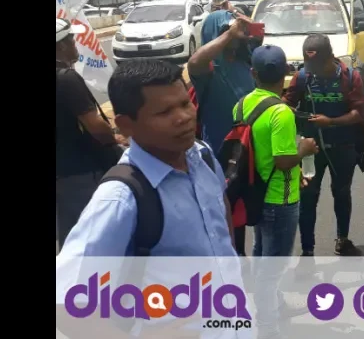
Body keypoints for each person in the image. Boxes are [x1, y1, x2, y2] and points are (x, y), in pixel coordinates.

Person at [56, 59, 244, 339]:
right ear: (126, 125)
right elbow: (65, 303)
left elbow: (220, 215)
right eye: (164, 111)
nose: (183, 117)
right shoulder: (121, 198)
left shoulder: (201, 155)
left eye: (184, 104)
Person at [240, 45, 319, 338]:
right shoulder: (280, 112)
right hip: (281, 199)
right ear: (286, 73)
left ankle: (274, 307)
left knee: (262, 254)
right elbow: (283, 159)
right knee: (273, 267)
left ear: (253, 73)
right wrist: (305, 149)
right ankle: (267, 326)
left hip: (255, 193)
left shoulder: (244, 103)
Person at [284, 34, 364, 257]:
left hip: (343, 147)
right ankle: (307, 250)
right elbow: (287, 103)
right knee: (308, 197)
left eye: (318, 64)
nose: (315, 69)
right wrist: (292, 112)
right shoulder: (303, 76)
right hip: (311, 149)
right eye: (310, 64)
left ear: (331, 56)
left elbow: (358, 113)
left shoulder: (351, 78)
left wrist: (330, 122)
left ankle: (342, 239)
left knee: (341, 193)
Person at [188, 9, 258, 255]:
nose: (234, 36)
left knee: (245, 211)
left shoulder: (245, 62)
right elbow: (194, 62)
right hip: (220, 155)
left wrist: (250, 30)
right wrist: (229, 34)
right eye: (225, 31)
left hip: (249, 152)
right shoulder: (208, 69)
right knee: (223, 214)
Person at [55, 18, 126, 249]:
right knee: (90, 235)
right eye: (72, 40)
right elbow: (95, 127)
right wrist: (114, 137)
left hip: (63, 171)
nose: (76, 45)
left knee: (70, 232)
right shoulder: (65, 79)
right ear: (62, 46)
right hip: (81, 171)